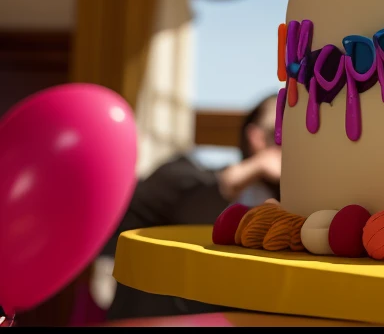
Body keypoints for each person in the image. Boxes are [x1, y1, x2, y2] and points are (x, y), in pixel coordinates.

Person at [101, 96, 282, 320]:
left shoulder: (298, 215)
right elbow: (183, 202)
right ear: (256, 137)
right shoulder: (181, 177)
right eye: (281, 133)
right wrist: (252, 169)